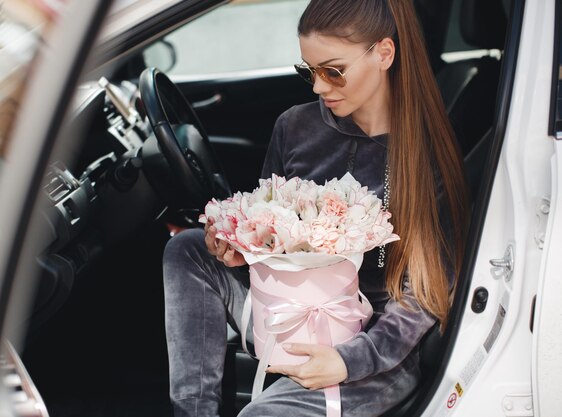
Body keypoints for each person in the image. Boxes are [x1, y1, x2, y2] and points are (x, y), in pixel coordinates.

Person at [162, 0, 470, 416]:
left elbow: (423, 298)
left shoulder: (422, 155)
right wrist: (242, 249)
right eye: (308, 71)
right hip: (284, 307)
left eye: (333, 71)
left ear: (384, 54)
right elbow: (268, 233)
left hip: (374, 346)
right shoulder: (295, 126)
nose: (318, 88)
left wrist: (348, 360)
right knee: (188, 249)